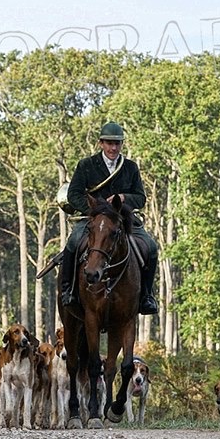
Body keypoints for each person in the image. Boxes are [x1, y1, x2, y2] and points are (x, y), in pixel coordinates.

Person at [60, 122, 159, 315]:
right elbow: (74, 194)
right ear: (101, 143)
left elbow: (140, 197)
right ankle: (68, 290)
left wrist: (123, 198)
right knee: (72, 243)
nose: (113, 148)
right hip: (94, 219)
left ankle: (146, 296)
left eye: (117, 143)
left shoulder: (130, 167)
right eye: (109, 143)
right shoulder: (86, 165)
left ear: (121, 145)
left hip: (123, 220)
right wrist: (94, 210)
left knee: (151, 247)